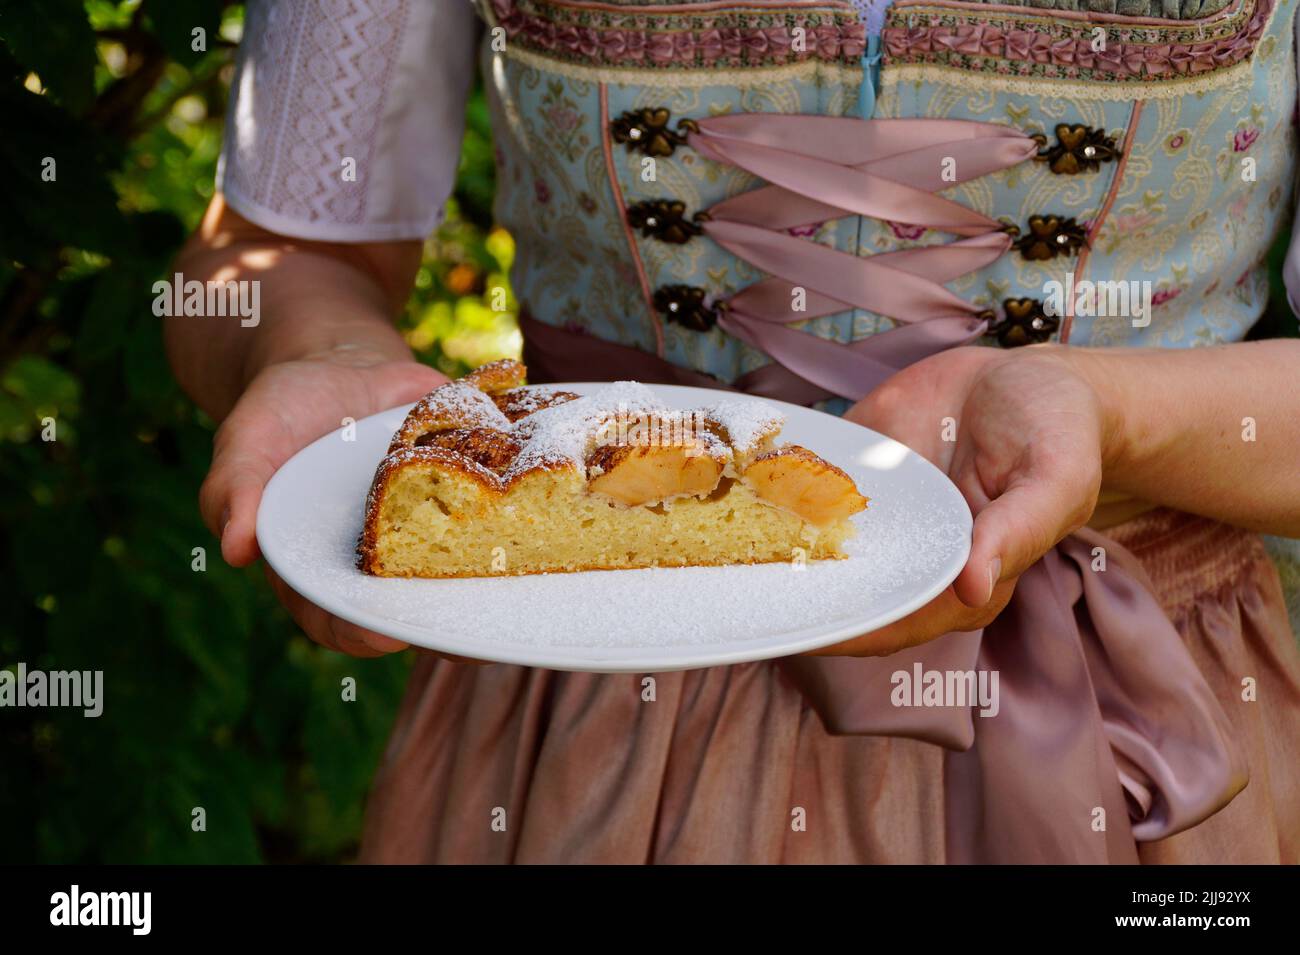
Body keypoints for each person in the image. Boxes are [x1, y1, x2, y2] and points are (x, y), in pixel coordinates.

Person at [166, 0, 1300, 862]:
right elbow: (277, 251)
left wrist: (1117, 417)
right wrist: (315, 357)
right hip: (581, 682)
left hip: (1126, 686)